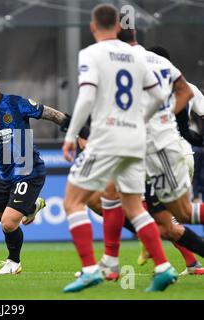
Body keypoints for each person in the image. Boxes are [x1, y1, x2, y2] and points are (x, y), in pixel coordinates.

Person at [62, 4, 176, 293]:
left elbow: (87, 97)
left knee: (73, 202)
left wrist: (71, 135)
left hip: (106, 137)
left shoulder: (90, 54)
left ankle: (90, 269)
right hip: (135, 138)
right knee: (135, 207)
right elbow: (161, 94)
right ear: (118, 27)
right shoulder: (138, 56)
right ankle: (163, 267)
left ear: (92, 27)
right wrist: (140, 118)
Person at [0, 63, 79, 275]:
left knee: (8, 223)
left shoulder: (15, 104)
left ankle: (14, 262)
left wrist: (77, 129)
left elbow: (49, 113)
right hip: (4, 174)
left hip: (29, 171)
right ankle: (30, 206)